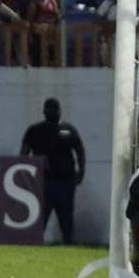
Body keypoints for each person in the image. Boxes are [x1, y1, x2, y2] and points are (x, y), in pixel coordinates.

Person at [20, 98, 86, 244]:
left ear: (60, 111)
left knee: (66, 216)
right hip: (44, 181)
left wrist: (81, 171)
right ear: (44, 111)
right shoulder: (35, 130)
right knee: (40, 216)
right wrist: (27, 175)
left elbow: (80, 151)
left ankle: (68, 243)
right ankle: (34, 242)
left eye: (55, 109)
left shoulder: (68, 130)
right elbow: (24, 154)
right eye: (50, 109)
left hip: (66, 180)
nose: (53, 112)